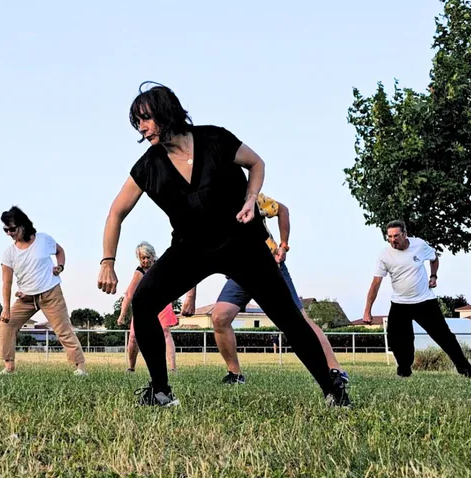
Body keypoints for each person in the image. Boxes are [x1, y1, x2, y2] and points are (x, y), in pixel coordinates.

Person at [97, 83, 350, 407]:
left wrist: (250, 199)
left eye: (145, 119)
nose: (142, 129)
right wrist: (107, 261)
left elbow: (256, 163)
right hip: (190, 248)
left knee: (288, 316)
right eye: (138, 123)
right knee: (144, 301)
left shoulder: (215, 139)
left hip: (241, 242)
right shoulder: (148, 166)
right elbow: (116, 212)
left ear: (165, 111)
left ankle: (333, 390)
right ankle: (160, 391)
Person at [182, 193, 349, 385]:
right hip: (240, 272)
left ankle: (335, 370)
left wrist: (284, 245)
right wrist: (191, 294)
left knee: (300, 319)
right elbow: (194, 250)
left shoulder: (251, 198)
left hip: (269, 266)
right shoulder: (203, 210)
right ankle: (235, 375)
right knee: (220, 317)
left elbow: (282, 210)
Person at [362, 220, 471, 378]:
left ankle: (465, 370)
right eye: (389, 237)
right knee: (397, 339)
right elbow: (376, 283)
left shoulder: (419, 245)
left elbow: (434, 258)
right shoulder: (384, 255)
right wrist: (367, 311)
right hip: (400, 304)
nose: (393, 240)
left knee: (444, 336)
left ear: (405, 234)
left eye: (396, 236)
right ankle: (404, 370)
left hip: (425, 302)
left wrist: (433, 276)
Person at [0, 206, 87, 376]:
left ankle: (80, 367)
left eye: (12, 229)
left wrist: (60, 266)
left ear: (22, 225)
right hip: (25, 298)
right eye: (6, 230)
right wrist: (6, 308)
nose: (9, 233)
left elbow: (60, 251)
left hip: (50, 293)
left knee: (63, 329)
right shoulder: (9, 253)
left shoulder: (43, 240)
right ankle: (9, 367)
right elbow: (6, 283)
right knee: (6, 325)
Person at [118, 241, 178, 373]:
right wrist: (122, 315)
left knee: (165, 332)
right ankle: (131, 368)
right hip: (144, 304)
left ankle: (173, 368)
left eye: (147, 257)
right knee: (133, 336)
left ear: (153, 255)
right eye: (142, 258)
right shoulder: (139, 271)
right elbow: (129, 294)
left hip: (162, 302)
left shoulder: (161, 265)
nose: (145, 261)